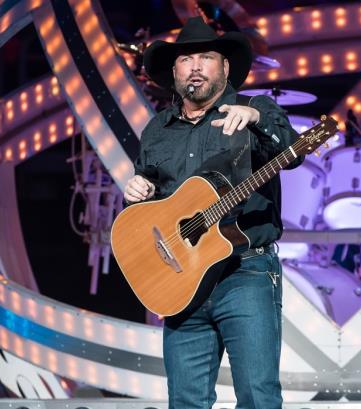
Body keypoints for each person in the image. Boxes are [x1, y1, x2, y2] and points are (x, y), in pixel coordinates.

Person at [123, 17, 303, 408]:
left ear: (224, 68)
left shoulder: (255, 112)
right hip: (182, 279)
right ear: (175, 71)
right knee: (186, 401)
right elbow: (153, 202)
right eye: (186, 59)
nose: (196, 66)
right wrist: (136, 191)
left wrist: (257, 119)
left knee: (258, 397)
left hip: (246, 273)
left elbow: (293, 152)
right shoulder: (158, 129)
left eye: (207, 57)